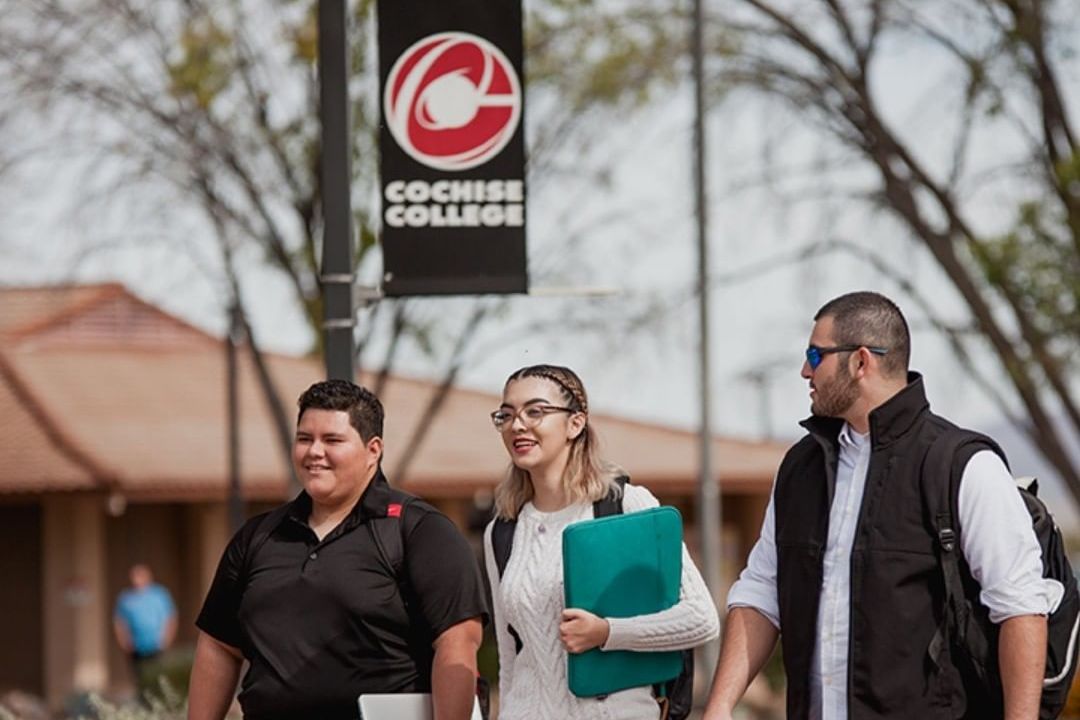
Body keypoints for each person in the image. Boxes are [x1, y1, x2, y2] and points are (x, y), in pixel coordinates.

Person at [703, 291, 1064, 720]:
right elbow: (761, 591)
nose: (805, 371)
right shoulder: (800, 468)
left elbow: (1021, 607)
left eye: (815, 355)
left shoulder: (962, 466)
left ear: (860, 361)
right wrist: (720, 706)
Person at [188, 379, 488, 720]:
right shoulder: (258, 536)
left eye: (332, 440)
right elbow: (219, 644)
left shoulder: (419, 530)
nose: (314, 452)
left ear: (373, 450)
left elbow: (457, 643)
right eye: (304, 439)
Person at [483, 364, 720, 720]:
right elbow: (509, 657)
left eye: (535, 411)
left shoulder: (626, 505)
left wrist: (608, 632)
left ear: (575, 423)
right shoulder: (502, 531)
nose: (518, 425)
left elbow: (701, 618)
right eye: (507, 414)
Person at [113, 563, 177, 696]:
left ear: (148, 577)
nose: (137, 579)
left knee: (157, 678)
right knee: (139, 679)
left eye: (140, 576)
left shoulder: (159, 595)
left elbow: (170, 618)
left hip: (156, 645)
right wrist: (124, 641)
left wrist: (166, 639)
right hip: (136, 646)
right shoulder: (126, 598)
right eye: (134, 576)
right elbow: (119, 621)